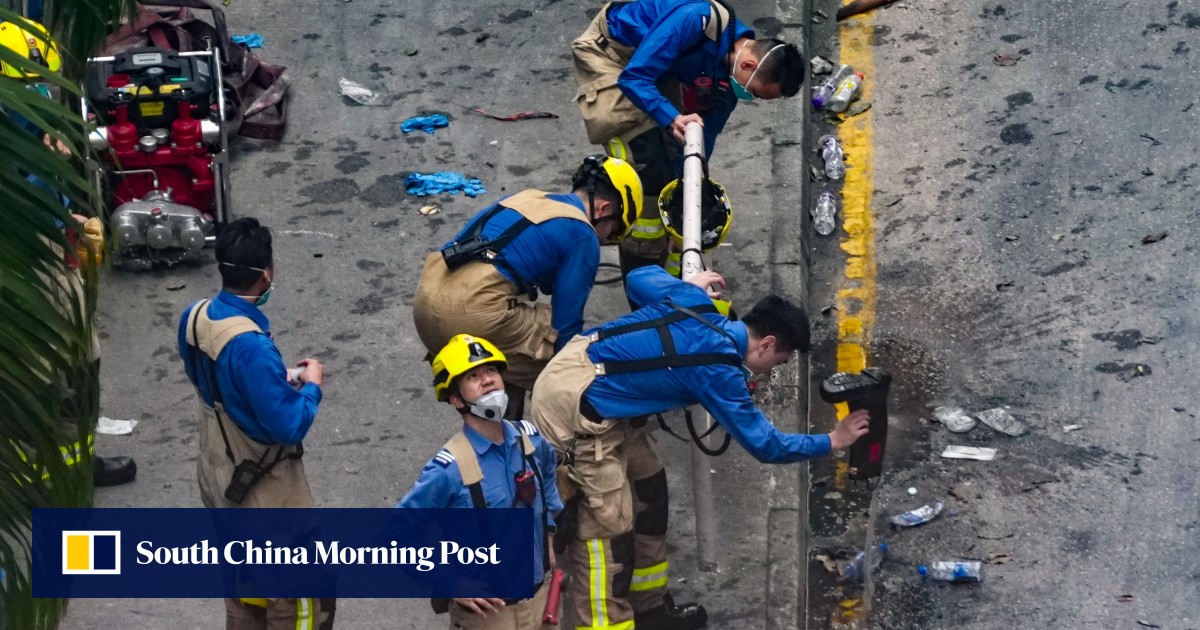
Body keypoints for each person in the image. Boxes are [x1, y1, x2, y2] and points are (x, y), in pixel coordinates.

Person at [530, 266, 870, 630]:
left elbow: (637, 278)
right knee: (607, 530)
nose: (771, 372)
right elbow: (766, 444)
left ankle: (649, 609)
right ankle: (603, 623)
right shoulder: (719, 370)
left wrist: (684, 285)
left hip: (591, 383)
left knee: (650, 488)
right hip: (573, 411)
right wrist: (833, 440)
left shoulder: (694, 301)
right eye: (778, 362)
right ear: (767, 343)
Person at [570, 0, 805, 280]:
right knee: (647, 162)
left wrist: (692, 182)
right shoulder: (694, 21)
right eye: (752, 92)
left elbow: (705, 134)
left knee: (675, 168)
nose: (747, 97)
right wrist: (671, 119)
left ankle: (674, 269)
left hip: (655, 66)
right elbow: (635, 78)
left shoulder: (730, 77)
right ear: (749, 63)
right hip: (612, 55)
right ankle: (639, 266)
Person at [177, 217, 334, 630]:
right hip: (265, 492)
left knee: (243, 585)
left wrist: (276, 378)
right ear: (267, 273)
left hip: (218, 472)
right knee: (298, 597)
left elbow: (218, 383)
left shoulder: (194, 317)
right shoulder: (251, 347)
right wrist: (311, 386)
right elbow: (289, 426)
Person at [1, 16, 136, 487]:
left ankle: (76, 461)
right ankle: (46, 478)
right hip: (27, 258)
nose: (37, 92)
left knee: (82, 360)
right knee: (46, 371)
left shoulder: (27, 98)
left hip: (52, 247)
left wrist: (68, 218)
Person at [412, 155, 642, 415]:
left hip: (427, 301)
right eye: (611, 231)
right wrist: (572, 373)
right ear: (603, 209)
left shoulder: (529, 198)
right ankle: (561, 437)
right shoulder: (582, 234)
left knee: (516, 343)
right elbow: (566, 325)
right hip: (472, 311)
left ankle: (504, 426)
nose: (604, 240)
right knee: (568, 356)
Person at [396, 334, 563, 629]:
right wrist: (450, 583)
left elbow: (548, 474)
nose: (488, 380)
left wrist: (549, 530)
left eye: (491, 371)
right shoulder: (449, 469)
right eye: (473, 376)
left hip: (541, 603)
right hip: (488, 618)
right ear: (456, 399)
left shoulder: (531, 439)